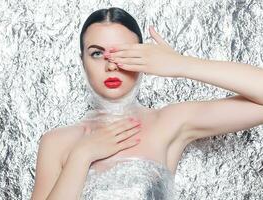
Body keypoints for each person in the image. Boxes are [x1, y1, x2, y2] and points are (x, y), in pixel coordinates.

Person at [31, 7, 263, 200]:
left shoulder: (168, 123)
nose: (111, 65)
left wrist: (181, 64)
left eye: (124, 53)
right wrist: (82, 155)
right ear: (82, 60)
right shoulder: (57, 142)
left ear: (144, 57)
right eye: (97, 53)